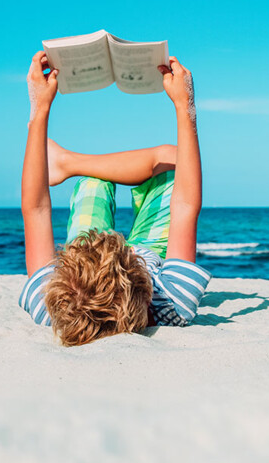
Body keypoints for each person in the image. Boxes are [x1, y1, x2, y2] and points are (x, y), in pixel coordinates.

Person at [17, 50, 212, 346]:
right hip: (147, 251)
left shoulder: (51, 303)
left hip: (94, 258)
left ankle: (68, 162)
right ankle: (70, 162)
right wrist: (186, 104)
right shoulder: (172, 301)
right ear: (144, 287)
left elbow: (36, 210)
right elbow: (184, 204)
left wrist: (39, 108)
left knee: (95, 182)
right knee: (173, 160)